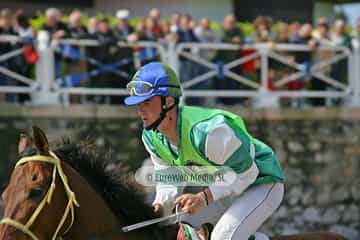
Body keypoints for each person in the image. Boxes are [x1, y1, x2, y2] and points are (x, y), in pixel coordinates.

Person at [124, 62, 285, 240]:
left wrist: (204, 197)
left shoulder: (207, 132)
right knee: (182, 228)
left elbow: (247, 173)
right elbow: (169, 177)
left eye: (147, 102)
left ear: (168, 101)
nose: (141, 110)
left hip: (261, 182)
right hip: (228, 187)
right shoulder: (151, 137)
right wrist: (161, 205)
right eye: (138, 104)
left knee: (222, 237)